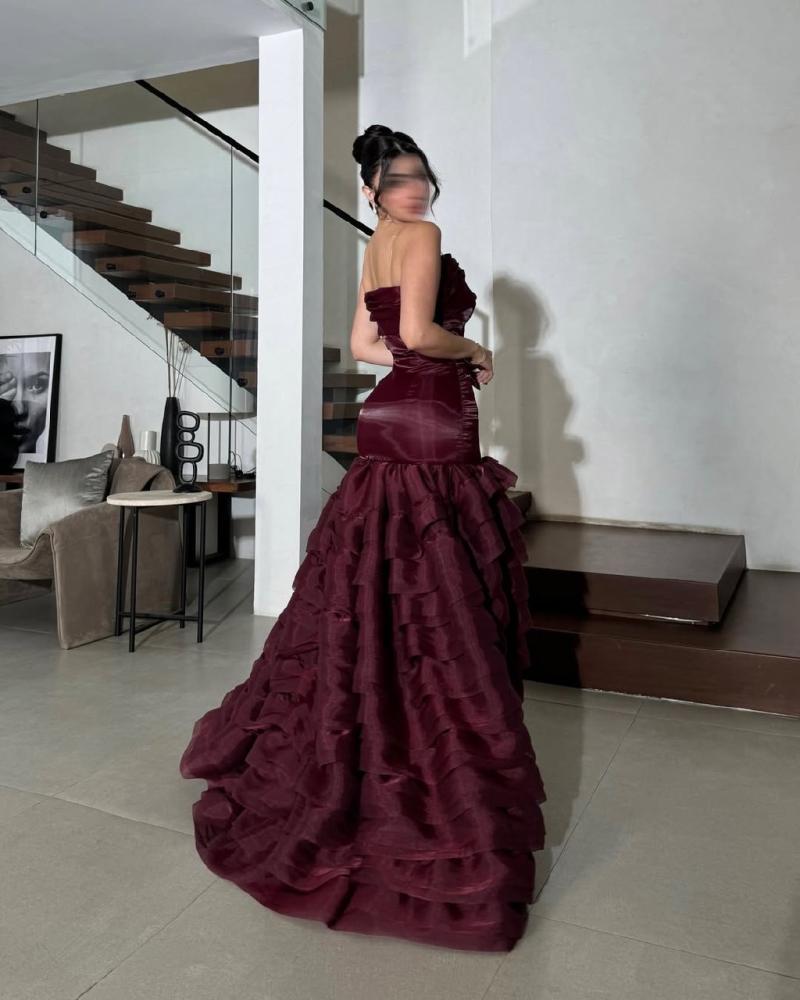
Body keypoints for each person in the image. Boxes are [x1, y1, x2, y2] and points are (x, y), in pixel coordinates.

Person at [179, 124, 547, 952]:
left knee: (380, 572)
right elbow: (417, 335)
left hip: (386, 417)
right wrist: (475, 349)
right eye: (400, 178)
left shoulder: (377, 243)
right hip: (433, 417)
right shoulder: (423, 235)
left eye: (422, 176)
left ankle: (377, 710)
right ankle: (427, 741)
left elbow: (363, 345)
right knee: (441, 582)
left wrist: (419, 359)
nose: (416, 189)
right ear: (373, 188)